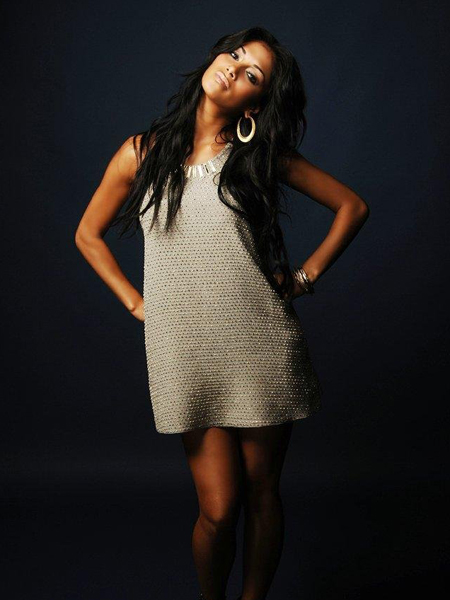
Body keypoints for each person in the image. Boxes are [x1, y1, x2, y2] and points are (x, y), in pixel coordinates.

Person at [75, 26, 369, 600]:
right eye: (235, 54)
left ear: (255, 104)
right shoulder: (141, 153)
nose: (235, 67)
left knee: (262, 494)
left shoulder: (260, 157)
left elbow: (351, 206)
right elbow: (87, 234)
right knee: (218, 508)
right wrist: (137, 303)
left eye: (252, 73)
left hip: (260, 343)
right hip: (186, 351)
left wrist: (303, 278)